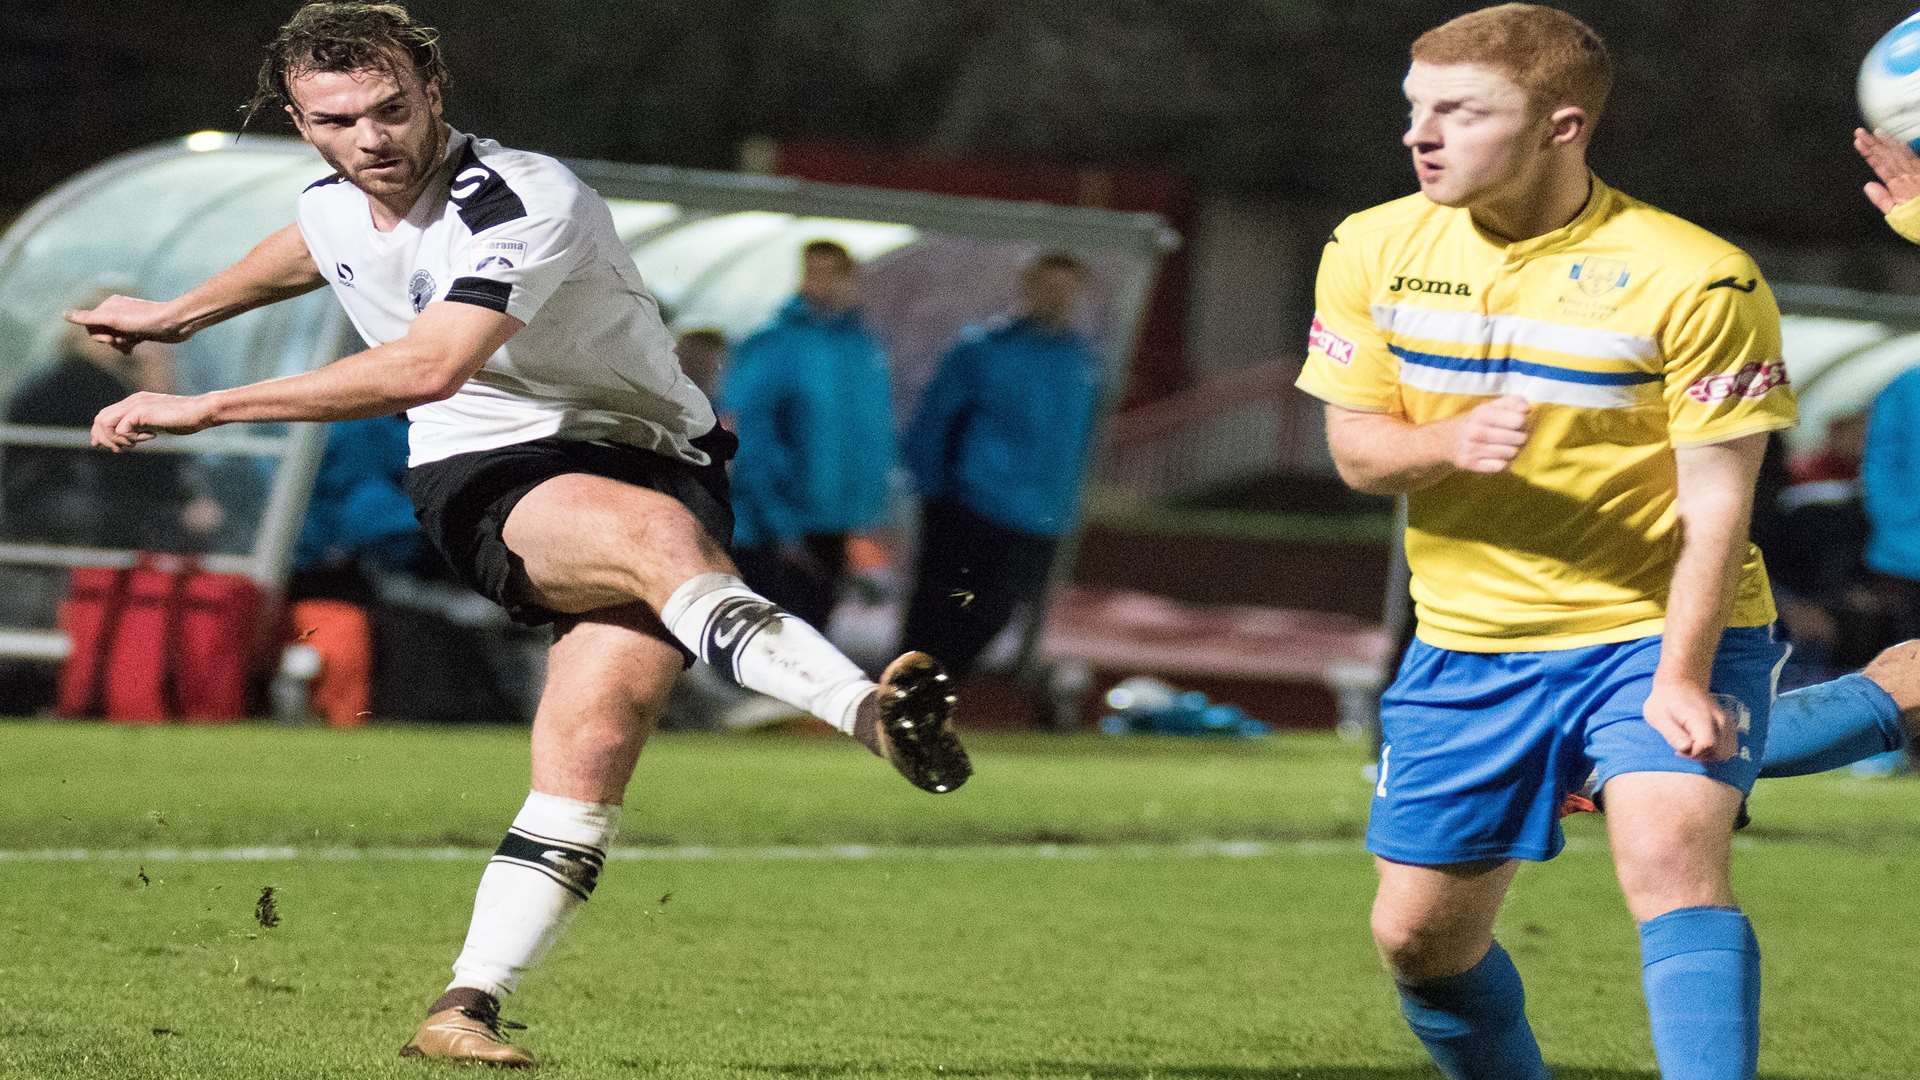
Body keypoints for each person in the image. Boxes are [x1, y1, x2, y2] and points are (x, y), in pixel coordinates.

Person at [68, 2, 968, 1066]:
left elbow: (424, 359)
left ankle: (464, 1005)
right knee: (647, 534)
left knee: (590, 746)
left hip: (658, 453)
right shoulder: (337, 199)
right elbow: (317, 250)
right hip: (489, 469)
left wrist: (205, 396)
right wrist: (180, 318)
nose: (371, 140)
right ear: (302, 123)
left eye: (391, 111)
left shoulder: (525, 198)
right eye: (337, 120)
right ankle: (864, 711)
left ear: (433, 94)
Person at [1295, 7, 1795, 1079]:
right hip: (1468, 645)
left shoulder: (1700, 277)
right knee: (1419, 941)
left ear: (1560, 126)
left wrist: (1683, 671)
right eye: (1416, 108)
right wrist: (1447, 441)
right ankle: (1865, 708)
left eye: (1461, 112)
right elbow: (1356, 452)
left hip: (1647, 627)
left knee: (1666, 855)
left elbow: (1720, 503)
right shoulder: (1370, 247)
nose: (1420, 135)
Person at [898, 252, 1101, 678]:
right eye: (1048, 287)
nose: (1057, 298)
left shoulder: (1080, 361)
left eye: (1067, 290)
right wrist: (936, 494)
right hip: (973, 503)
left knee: (993, 613)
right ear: (1028, 289)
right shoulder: (984, 350)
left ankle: (932, 695)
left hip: (1041, 514)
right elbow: (935, 421)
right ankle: (904, 699)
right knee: (943, 608)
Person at [716, 240, 894, 627]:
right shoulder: (774, 344)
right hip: (776, 525)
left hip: (832, 520)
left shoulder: (862, 348)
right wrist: (779, 522)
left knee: (811, 623)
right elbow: (750, 439)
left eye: (834, 274)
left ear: (853, 279)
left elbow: (869, 437)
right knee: (780, 632)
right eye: (814, 272)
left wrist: (866, 510)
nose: (822, 284)